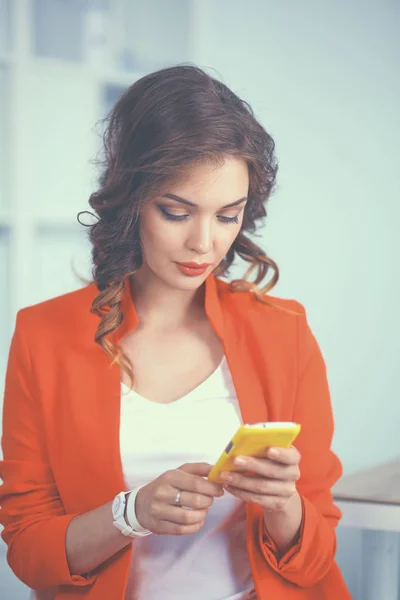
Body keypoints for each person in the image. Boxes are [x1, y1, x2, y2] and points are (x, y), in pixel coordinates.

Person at [0, 64, 351, 600]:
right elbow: (29, 551)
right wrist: (130, 513)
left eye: (228, 215)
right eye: (176, 212)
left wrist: (285, 505)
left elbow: (317, 556)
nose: (205, 244)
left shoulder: (285, 331)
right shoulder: (43, 336)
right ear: (131, 200)